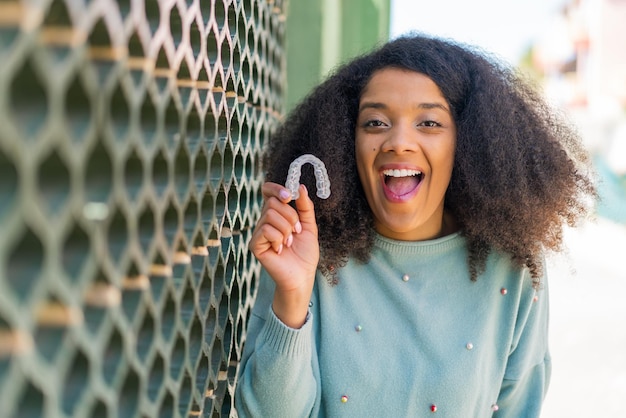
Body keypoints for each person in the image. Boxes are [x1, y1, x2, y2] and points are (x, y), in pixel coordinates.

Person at [234, 33, 597, 417]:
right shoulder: (305, 251)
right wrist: (292, 295)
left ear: (470, 141)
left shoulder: (513, 265)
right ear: (346, 140)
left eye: (428, 122)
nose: (399, 141)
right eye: (375, 122)